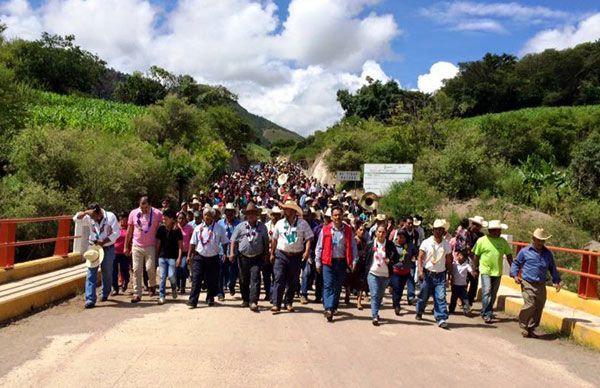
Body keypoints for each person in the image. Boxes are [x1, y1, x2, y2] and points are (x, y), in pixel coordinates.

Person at [510, 228, 561, 338]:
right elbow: (516, 263)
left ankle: (531, 328)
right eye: (538, 240)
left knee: (539, 306)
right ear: (533, 239)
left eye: (542, 240)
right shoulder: (525, 251)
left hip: (541, 284)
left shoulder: (548, 254)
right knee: (530, 304)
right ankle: (523, 325)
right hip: (527, 282)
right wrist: (515, 275)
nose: (540, 242)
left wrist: (556, 281)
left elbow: (552, 268)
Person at [269, 200, 314, 313]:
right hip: (281, 254)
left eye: (287, 209)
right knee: (279, 278)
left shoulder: (303, 224)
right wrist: (272, 253)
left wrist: (307, 251)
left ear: (293, 211)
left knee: (293, 280)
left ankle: (288, 302)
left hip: (296, 256)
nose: (285, 210)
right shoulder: (279, 223)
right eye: (284, 208)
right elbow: (274, 239)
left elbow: (309, 238)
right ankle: (276, 304)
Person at [315, 206, 358, 322]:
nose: (337, 217)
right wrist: (317, 262)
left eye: (339, 215)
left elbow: (353, 247)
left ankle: (333, 307)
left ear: (342, 216)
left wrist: (354, 261)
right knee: (328, 285)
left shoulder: (348, 230)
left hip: (341, 262)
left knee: (337, 286)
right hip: (327, 262)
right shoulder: (325, 229)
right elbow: (319, 247)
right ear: (332, 217)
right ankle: (329, 308)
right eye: (335, 215)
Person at [73, 203, 120, 309]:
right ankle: (90, 299)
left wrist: (103, 241)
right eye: (90, 216)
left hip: (107, 248)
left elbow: (116, 233)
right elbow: (76, 219)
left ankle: (105, 293)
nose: (92, 219)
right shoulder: (89, 217)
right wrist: (85, 212)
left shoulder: (110, 217)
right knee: (91, 273)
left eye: (93, 216)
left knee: (107, 272)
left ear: (99, 213)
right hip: (94, 248)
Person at [229, 202, 269, 311]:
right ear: (246, 215)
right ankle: (245, 300)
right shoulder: (240, 226)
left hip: (257, 257)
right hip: (243, 257)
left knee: (255, 278)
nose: (251, 215)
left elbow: (266, 242)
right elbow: (233, 240)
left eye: (253, 213)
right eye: (249, 213)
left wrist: (266, 255)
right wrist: (232, 253)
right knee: (243, 279)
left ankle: (253, 301)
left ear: (257, 215)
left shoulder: (262, 227)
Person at [187, 207, 229, 308]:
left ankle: (210, 298)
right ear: (203, 216)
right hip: (199, 257)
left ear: (213, 217)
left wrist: (224, 253)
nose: (207, 217)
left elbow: (224, 242)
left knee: (212, 279)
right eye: (205, 215)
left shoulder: (219, 228)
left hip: (213, 258)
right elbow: (192, 243)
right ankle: (193, 301)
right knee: (196, 279)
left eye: (209, 215)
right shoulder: (198, 228)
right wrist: (189, 255)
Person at [472, 220, 513, 324]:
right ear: (489, 230)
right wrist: (474, 269)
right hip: (485, 270)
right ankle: (487, 313)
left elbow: (509, 255)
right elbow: (476, 256)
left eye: (498, 230)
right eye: (494, 230)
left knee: (493, 294)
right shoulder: (482, 240)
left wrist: (513, 268)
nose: (497, 232)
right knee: (487, 291)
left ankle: (485, 310)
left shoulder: (503, 241)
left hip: (497, 271)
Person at [415, 219, 453, 329]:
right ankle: (419, 310)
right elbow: (420, 257)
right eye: (436, 229)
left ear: (443, 231)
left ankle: (441, 318)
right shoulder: (426, 242)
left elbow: (449, 260)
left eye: (440, 230)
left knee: (440, 297)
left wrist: (450, 275)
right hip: (428, 274)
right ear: (433, 230)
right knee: (424, 295)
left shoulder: (446, 245)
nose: (438, 232)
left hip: (440, 275)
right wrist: (420, 271)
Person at [125, 196, 163, 303]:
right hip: (136, 245)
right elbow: (129, 230)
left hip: (151, 245)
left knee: (150, 268)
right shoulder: (133, 213)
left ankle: (152, 285)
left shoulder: (157, 213)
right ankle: (137, 294)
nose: (144, 210)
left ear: (149, 205)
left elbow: (164, 225)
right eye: (142, 208)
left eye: (146, 208)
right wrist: (126, 246)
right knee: (136, 269)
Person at [361, 225, 397, 326]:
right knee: (374, 294)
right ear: (376, 233)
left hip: (385, 275)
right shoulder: (370, 244)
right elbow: (365, 257)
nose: (381, 234)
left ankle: (375, 310)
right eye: (379, 232)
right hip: (373, 273)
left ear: (386, 233)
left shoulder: (390, 245)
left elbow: (396, 258)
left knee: (380, 296)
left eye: (383, 232)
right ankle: (375, 316)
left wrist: (390, 261)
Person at [455, 215, 486, 306]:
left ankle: (469, 301)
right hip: (464, 261)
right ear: (472, 224)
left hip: (476, 261)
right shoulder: (463, 233)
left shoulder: (481, 236)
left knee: (474, 281)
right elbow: (460, 247)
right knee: (464, 281)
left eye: (479, 226)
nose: (478, 227)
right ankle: (462, 298)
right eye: (476, 225)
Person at [155, 209, 183, 305]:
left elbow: (180, 246)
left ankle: (174, 288)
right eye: (163, 219)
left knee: (172, 276)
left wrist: (179, 258)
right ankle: (162, 296)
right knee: (162, 277)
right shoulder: (161, 229)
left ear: (172, 219)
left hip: (172, 258)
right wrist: (156, 256)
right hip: (162, 257)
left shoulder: (177, 231)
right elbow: (158, 244)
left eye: (166, 219)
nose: (164, 220)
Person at [389, 230, 417, 315]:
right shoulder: (393, 245)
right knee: (396, 287)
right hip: (395, 270)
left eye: (402, 237)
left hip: (405, 271)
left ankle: (395, 302)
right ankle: (397, 305)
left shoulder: (410, 246)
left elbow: (415, 253)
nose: (400, 239)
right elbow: (389, 255)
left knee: (400, 290)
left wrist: (413, 257)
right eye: (399, 237)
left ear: (406, 238)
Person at [218, 203, 240, 300]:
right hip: (221, 251)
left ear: (234, 212)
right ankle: (220, 293)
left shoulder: (239, 224)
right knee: (221, 272)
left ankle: (231, 285)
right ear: (225, 212)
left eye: (231, 211)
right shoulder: (220, 223)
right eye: (228, 211)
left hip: (234, 252)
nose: (229, 213)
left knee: (233, 272)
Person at [263, 206, 282, 301]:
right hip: (267, 252)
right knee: (266, 276)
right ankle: (268, 293)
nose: (276, 217)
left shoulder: (282, 225)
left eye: (278, 215)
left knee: (276, 275)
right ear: (271, 215)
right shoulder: (266, 226)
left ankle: (273, 295)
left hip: (278, 253)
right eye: (274, 215)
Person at [450, 249, 474, 316]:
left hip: (463, 286)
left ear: (465, 258)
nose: (459, 257)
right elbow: (451, 272)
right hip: (455, 285)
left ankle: (467, 311)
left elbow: (471, 271)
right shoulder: (454, 264)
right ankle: (451, 310)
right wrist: (450, 279)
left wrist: (473, 273)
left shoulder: (466, 265)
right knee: (453, 298)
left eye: (461, 256)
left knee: (465, 299)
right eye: (458, 255)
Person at [112, 212, 130, 295]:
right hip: (114, 252)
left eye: (126, 219)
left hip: (125, 253)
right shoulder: (115, 227)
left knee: (124, 269)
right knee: (114, 271)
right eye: (123, 219)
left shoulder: (129, 228)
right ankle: (115, 288)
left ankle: (126, 282)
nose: (124, 221)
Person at [177, 211, 194, 294]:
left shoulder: (189, 228)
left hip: (185, 251)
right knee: (176, 269)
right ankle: (177, 285)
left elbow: (192, 241)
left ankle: (182, 286)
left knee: (183, 267)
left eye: (183, 218)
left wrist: (190, 254)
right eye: (179, 218)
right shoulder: (175, 227)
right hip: (175, 252)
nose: (181, 220)